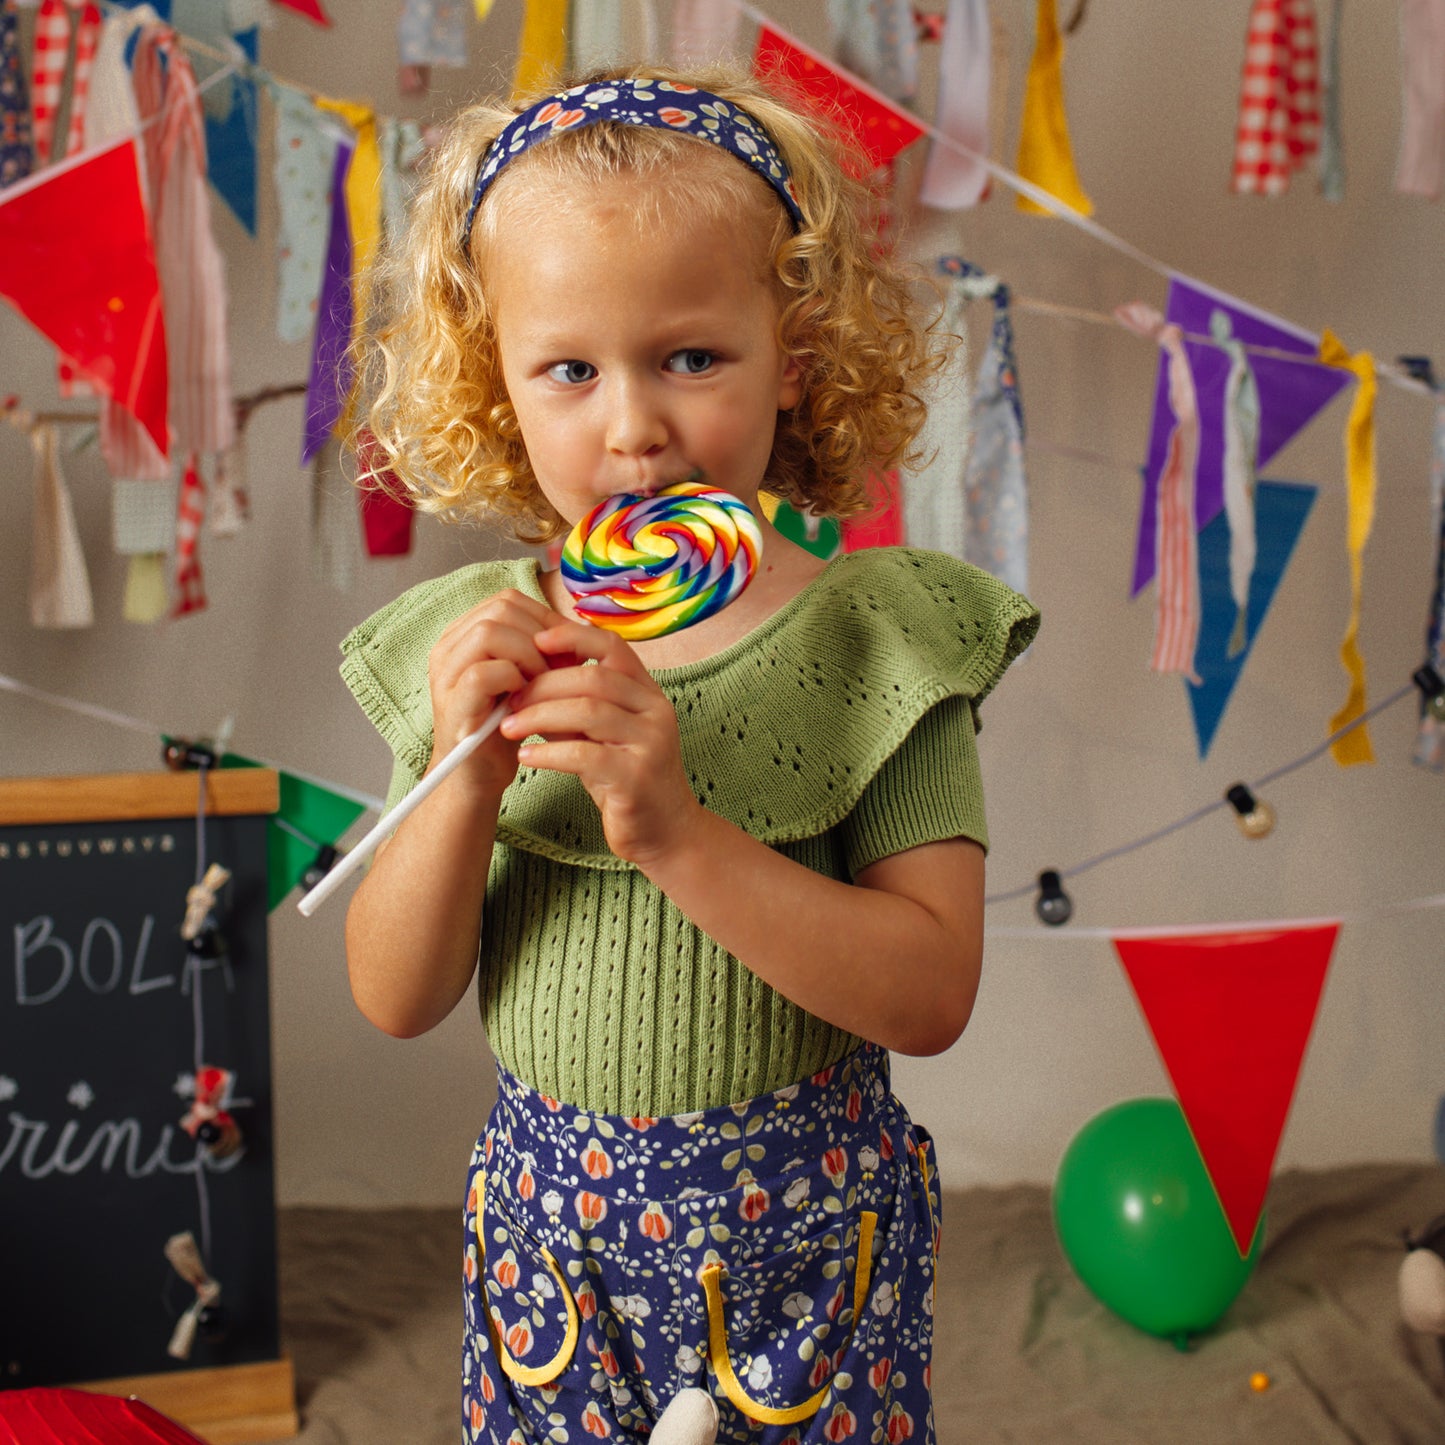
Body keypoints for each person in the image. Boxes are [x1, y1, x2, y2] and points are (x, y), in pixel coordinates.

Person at [340, 62, 1039, 1445]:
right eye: (569, 370)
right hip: (553, 1246)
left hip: (801, 1243)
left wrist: (674, 831)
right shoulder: (477, 653)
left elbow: (928, 993)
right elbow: (394, 995)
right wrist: (466, 780)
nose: (633, 425)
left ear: (800, 353)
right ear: (500, 388)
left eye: (690, 357)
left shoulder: (877, 644)